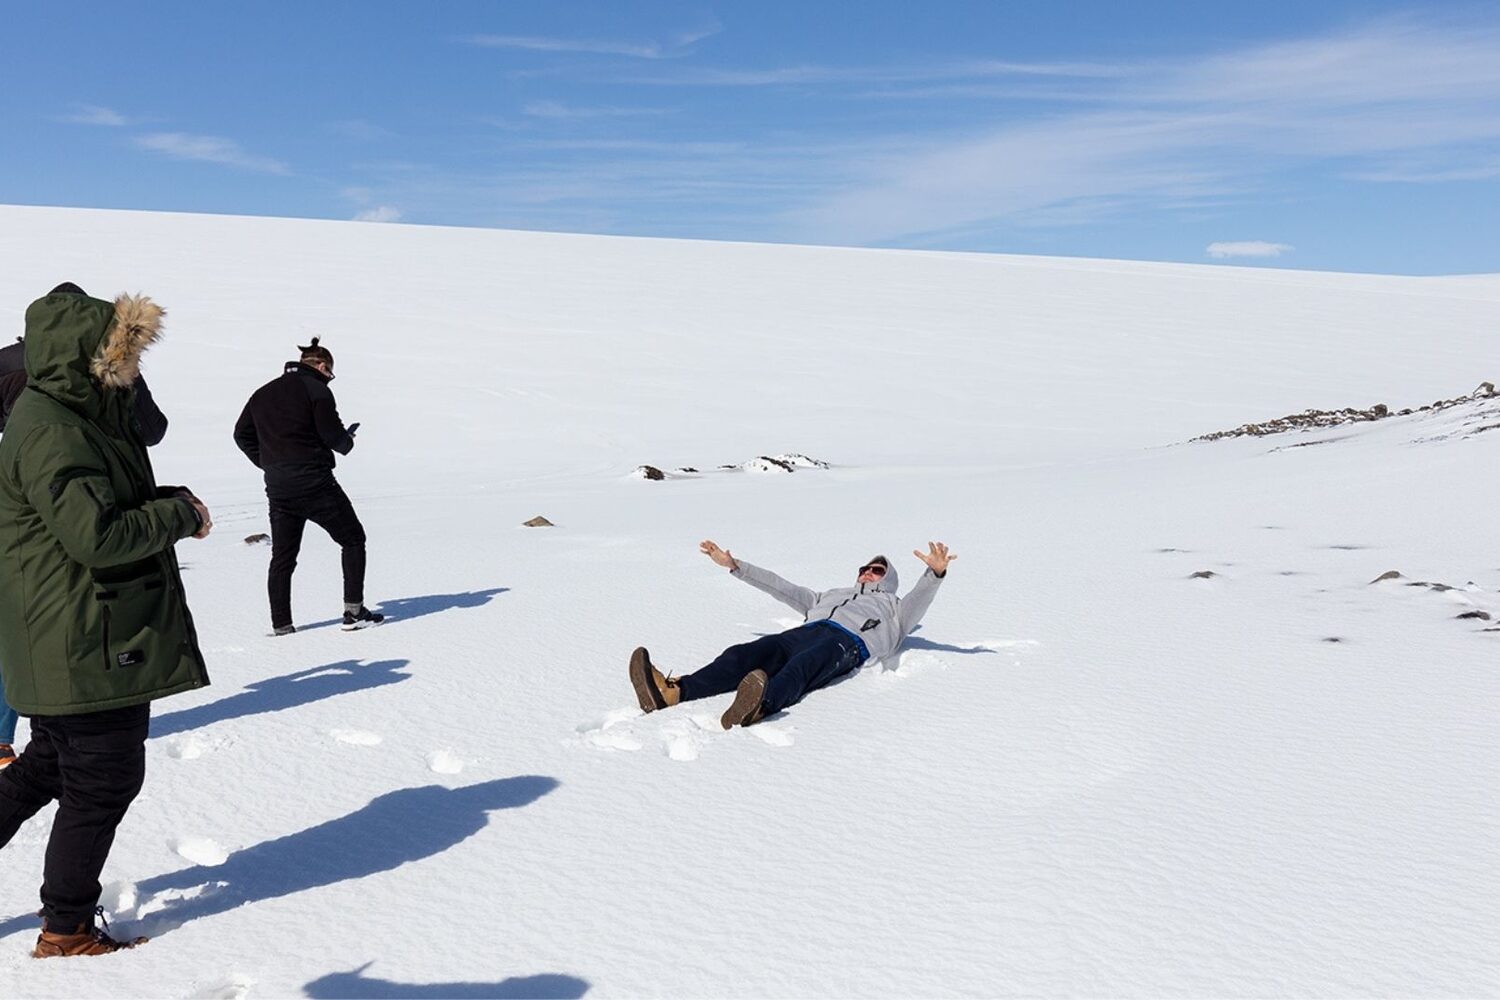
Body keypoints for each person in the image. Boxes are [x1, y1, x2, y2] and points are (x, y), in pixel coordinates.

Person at [0, 285, 213, 958]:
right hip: (84, 635)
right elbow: (95, 535)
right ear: (90, 357)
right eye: (126, 355)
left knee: (47, 768)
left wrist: (162, 497)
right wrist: (178, 517)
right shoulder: (53, 427)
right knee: (101, 781)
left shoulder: (72, 412)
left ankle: (65, 919)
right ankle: (65, 928)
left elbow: (98, 502)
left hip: (76, 628)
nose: (135, 368)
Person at [0, 283, 172, 766]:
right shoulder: (68, 406)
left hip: (23, 513)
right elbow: (152, 431)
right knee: (27, 618)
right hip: (59, 529)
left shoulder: (17, 367)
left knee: (17, 618)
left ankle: (10, 728)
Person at [630, 540, 956, 729]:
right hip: (805, 631)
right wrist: (735, 565)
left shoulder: (896, 609)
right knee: (743, 654)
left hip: (847, 643)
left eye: (877, 570)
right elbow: (781, 586)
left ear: (888, 579)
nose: (868, 572)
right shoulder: (829, 595)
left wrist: (935, 573)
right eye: (865, 568)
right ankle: (674, 692)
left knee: (802, 667)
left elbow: (921, 597)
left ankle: (760, 704)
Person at [233, 337, 382, 634]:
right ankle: (354, 613)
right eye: (331, 374)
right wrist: (347, 440)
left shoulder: (261, 394)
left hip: (278, 486)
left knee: (283, 557)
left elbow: (241, 435)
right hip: (314, 481)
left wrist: (269, 463)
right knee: (353, 539)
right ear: (323, 366)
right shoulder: (317, 391)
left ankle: (282, 625)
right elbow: (333, 437)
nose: (330, 380)